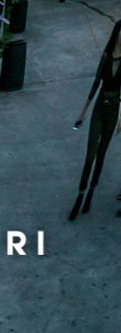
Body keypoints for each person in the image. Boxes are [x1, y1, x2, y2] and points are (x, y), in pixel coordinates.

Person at [71, 21, 121, 219]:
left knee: (101, 154)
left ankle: (91, 192)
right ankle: (80, 195)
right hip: (100, 107)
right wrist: (83, 111)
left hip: (114, 107)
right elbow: (96, 83)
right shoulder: (106, 55)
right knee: (90, 154)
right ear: (116, 33)